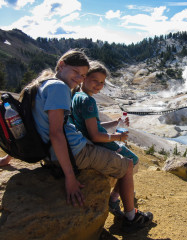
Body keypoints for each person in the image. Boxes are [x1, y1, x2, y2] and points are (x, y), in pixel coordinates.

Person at [22, 49, 153, 233]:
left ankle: (121, 204)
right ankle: (131, 217)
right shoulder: (59, 88)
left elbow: (27, 123)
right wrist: (70, 177)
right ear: (61, 65)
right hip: (76, 152)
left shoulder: (43, 84)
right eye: (76, 72)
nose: (79, 78)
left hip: (60, 151)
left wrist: (7, 159)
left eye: (82, 75)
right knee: (128, 165)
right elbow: (56, 133)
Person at [69, 61, 139, 218]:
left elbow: (93, 126)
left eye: (102, 82)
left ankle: (116, 195)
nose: (99, 85)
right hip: (98, 142)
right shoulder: (89, 101)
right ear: (84, 77)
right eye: (95, 80)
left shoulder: (77, 96)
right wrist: (118, 136)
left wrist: (115, 123)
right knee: (133, 160)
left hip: (88, 141)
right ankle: (114, 199)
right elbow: (95, 135)